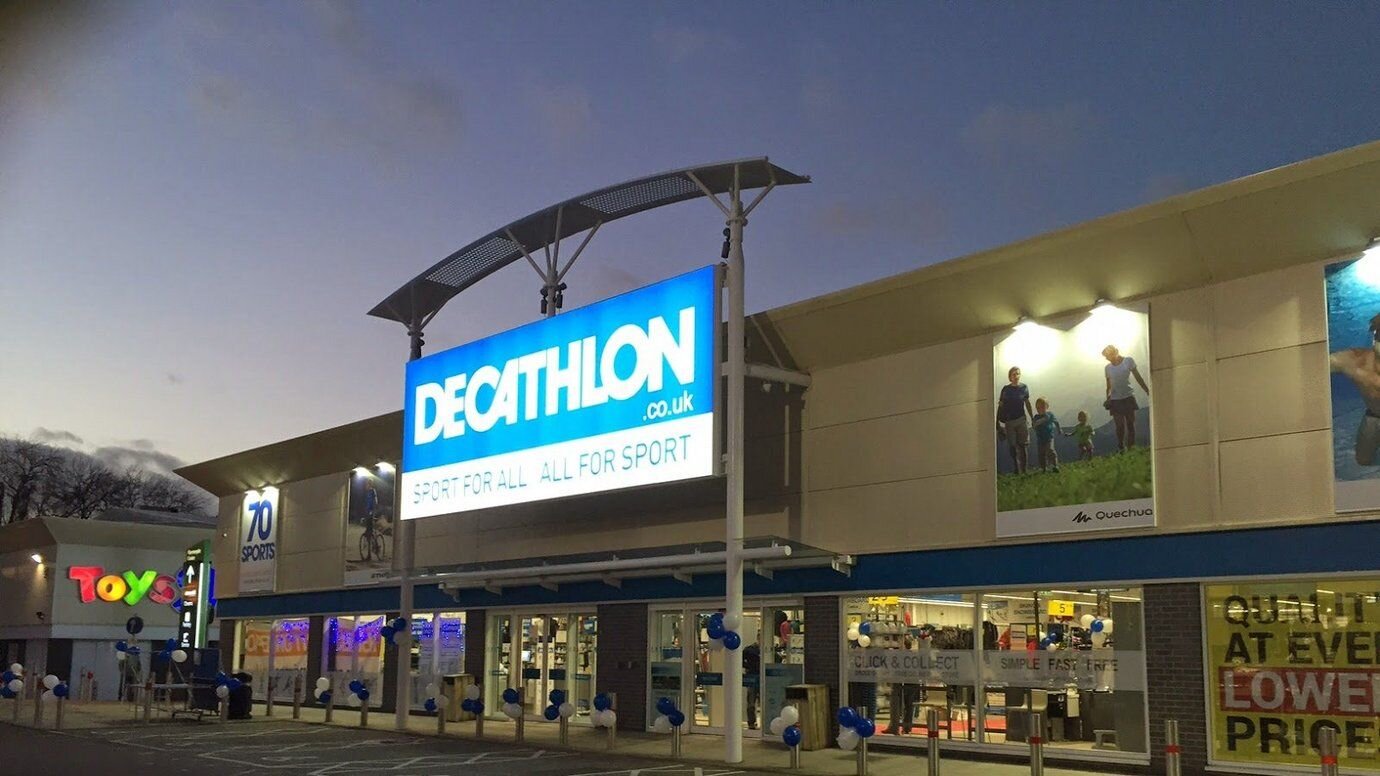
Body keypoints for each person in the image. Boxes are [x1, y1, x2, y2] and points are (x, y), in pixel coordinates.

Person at [1102, 345, 1150, 450]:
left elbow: (1138, 377)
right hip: (1115, 400)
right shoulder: (1107, 368)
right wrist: (1108, 398)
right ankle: (1121, 446)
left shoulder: (1128, 361)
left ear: (1116, 352)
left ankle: (1131, 448)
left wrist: (1147, 390)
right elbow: (1108, 386)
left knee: (1130, 424)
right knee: (1119, 426)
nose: (1108, 358)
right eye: (1106, 357)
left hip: (1128, 396)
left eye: (1108, 355)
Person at [996, 366, 1034, 474]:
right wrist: (997, 421)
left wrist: (1032, 417)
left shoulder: (1024, 387)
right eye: (1014, 374)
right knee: (1012, 445)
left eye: (1018, 374)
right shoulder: (1006, 389)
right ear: (1010, 377)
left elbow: (1027, 402)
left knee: (1023, 444)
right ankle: (1016, 468)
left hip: (1021, 418)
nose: (1016, 376)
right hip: (1009, 421)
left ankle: (1024, 469)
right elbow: (1001, 405)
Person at [1031, 398, 1061, 472]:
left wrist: (1059, 429)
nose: (1040, 409)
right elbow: (1033, 425)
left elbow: (1056, 422)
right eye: (1038, 408)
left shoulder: (1050, 414)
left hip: (1049, 437)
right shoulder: (1036, 417)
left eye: (1042, 407)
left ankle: (1055, 465)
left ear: (1047, 407)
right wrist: (1036, 424)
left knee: (1050, 450)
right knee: (1041, 453)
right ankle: (1043, 467)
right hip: (1040, 439)